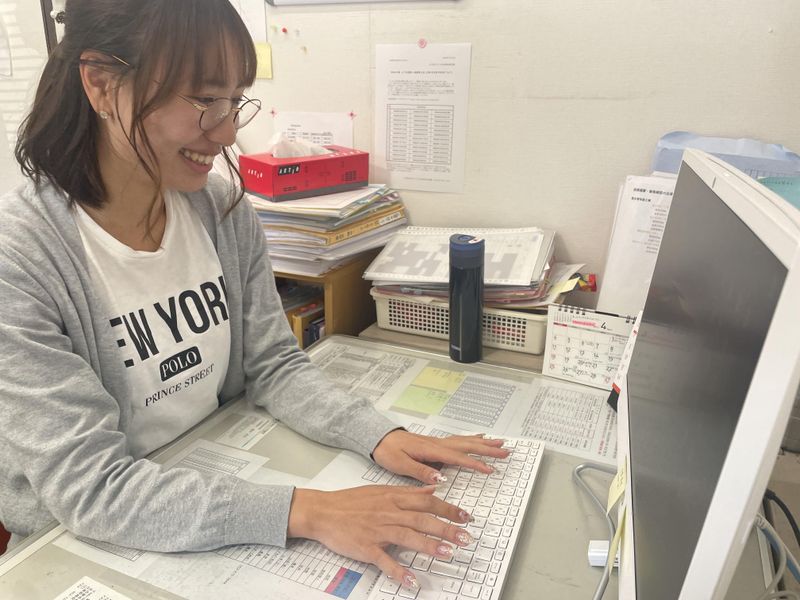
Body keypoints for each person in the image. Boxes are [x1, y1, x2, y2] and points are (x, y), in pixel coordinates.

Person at [0, 0, 509, 591]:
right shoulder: (23, 258)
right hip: (83, 548)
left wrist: (379, 435)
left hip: (209, 475)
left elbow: (272, 364)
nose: (227, 132)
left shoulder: (217, 209)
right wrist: (311, 511)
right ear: (101, 84)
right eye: (203, 100)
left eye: (235, 100)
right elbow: (92, 490)